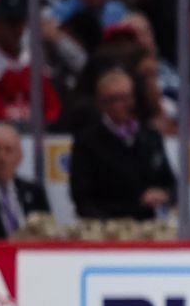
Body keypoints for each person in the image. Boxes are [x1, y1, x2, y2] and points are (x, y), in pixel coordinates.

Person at [69, 67, 175, 221]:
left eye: (126, 98)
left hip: (148, 227)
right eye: (114, 99)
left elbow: (171, 184)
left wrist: (165, 194)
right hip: (107, 229)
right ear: (101, 104)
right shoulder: (87, 141)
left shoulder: (150, 136)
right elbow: (81, 198)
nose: (122, 105)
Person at [0, 122, 49, 240]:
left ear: (19, 156)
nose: (2, 157)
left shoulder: (34, 192)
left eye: (8, 150)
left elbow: (48, 234)